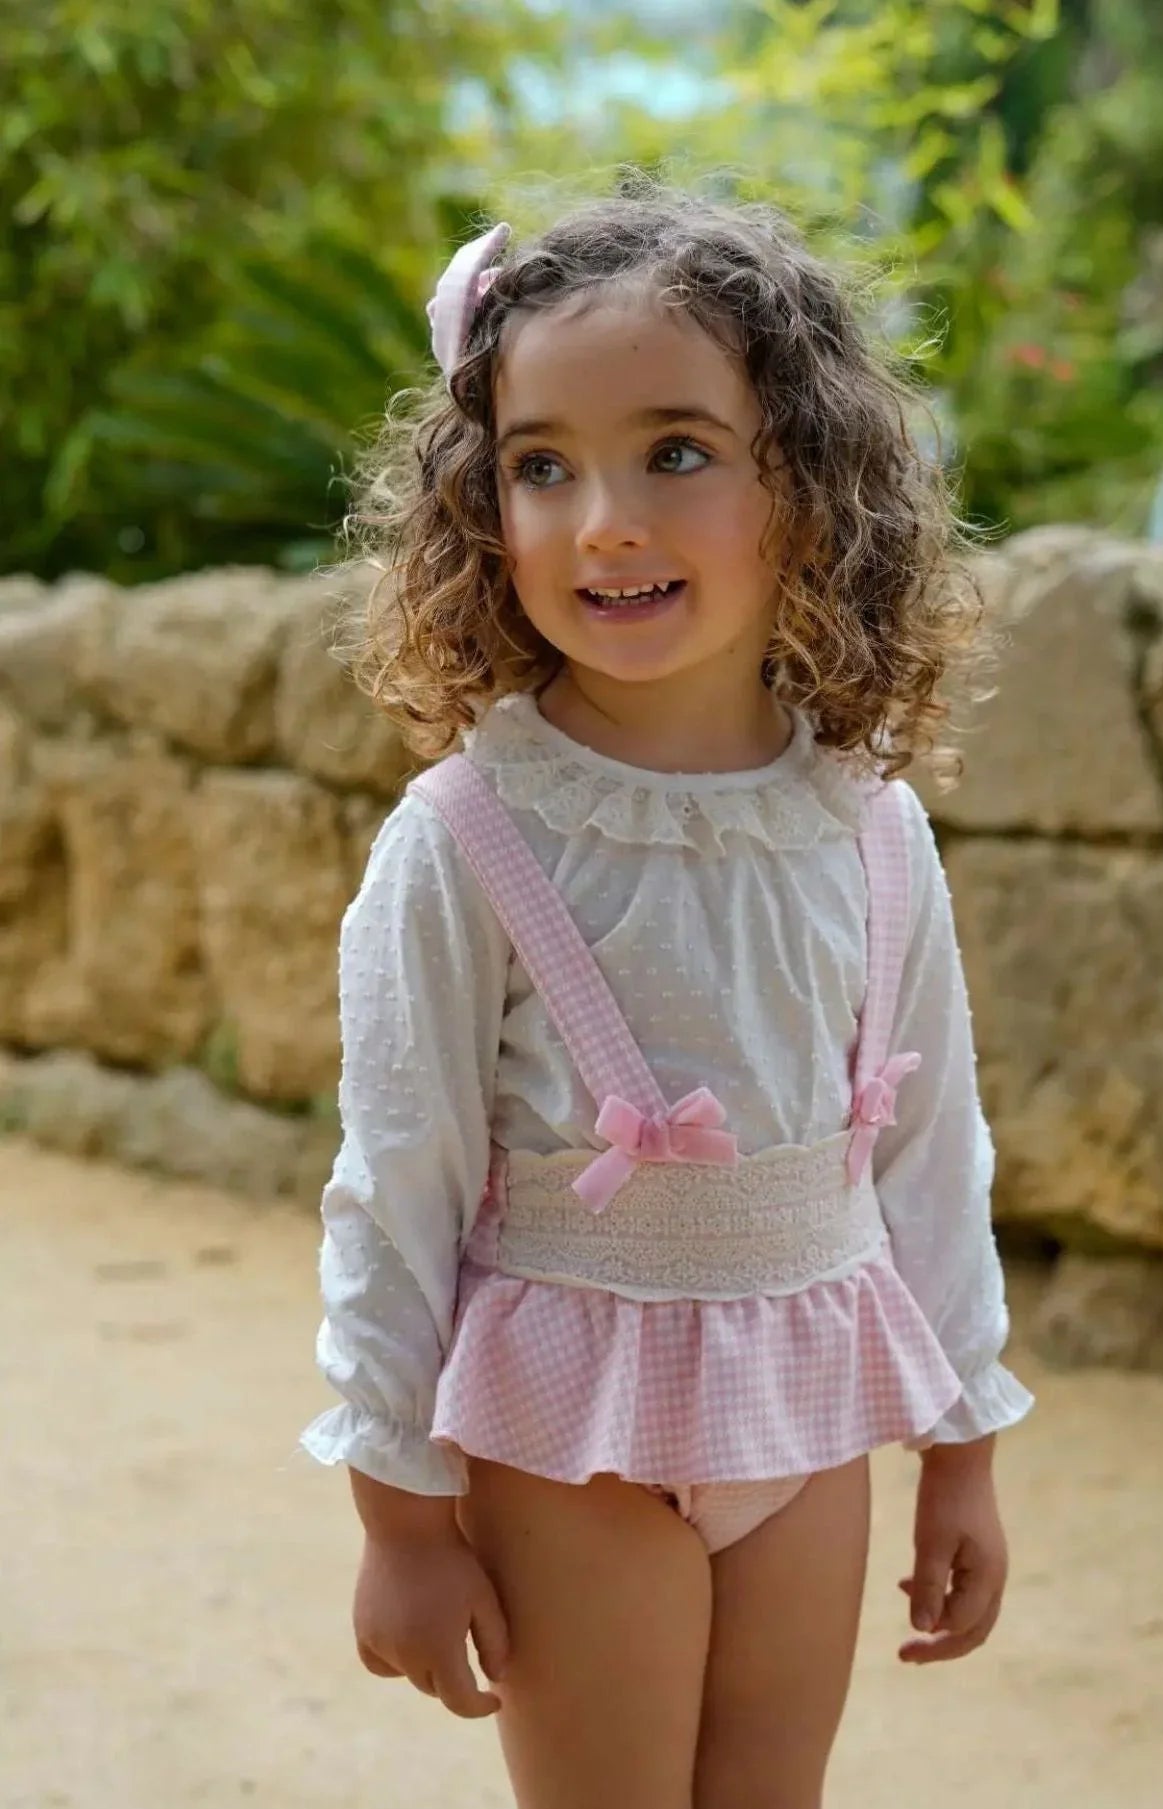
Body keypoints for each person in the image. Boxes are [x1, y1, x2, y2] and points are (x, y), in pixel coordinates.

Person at [301, 183, 1034, 1809]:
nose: (601, 520)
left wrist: (964, 1445)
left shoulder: (870, 823)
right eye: (540, 464)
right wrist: (399, 1511)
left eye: (676, 453)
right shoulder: (470, 838)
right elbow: (396, 1178)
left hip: (810, 1400)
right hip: (571, 1433)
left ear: (814, 487)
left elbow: (928, 1151)